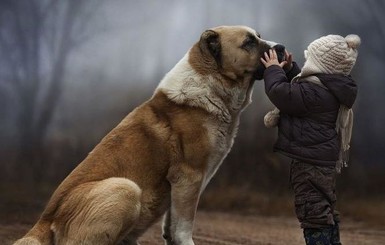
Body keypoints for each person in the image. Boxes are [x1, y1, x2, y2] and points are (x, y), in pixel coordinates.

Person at [260, 34, 361, 245]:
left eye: (310, 61)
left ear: (320, 65)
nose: (306, 65)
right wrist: (289, 70)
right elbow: (303, 89)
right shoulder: (329, 89)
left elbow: (281, 93)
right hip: (321, 160)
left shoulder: (313, 94)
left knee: (312, 210)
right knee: (323, 207)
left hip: (309, 164)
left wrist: (273, 70)